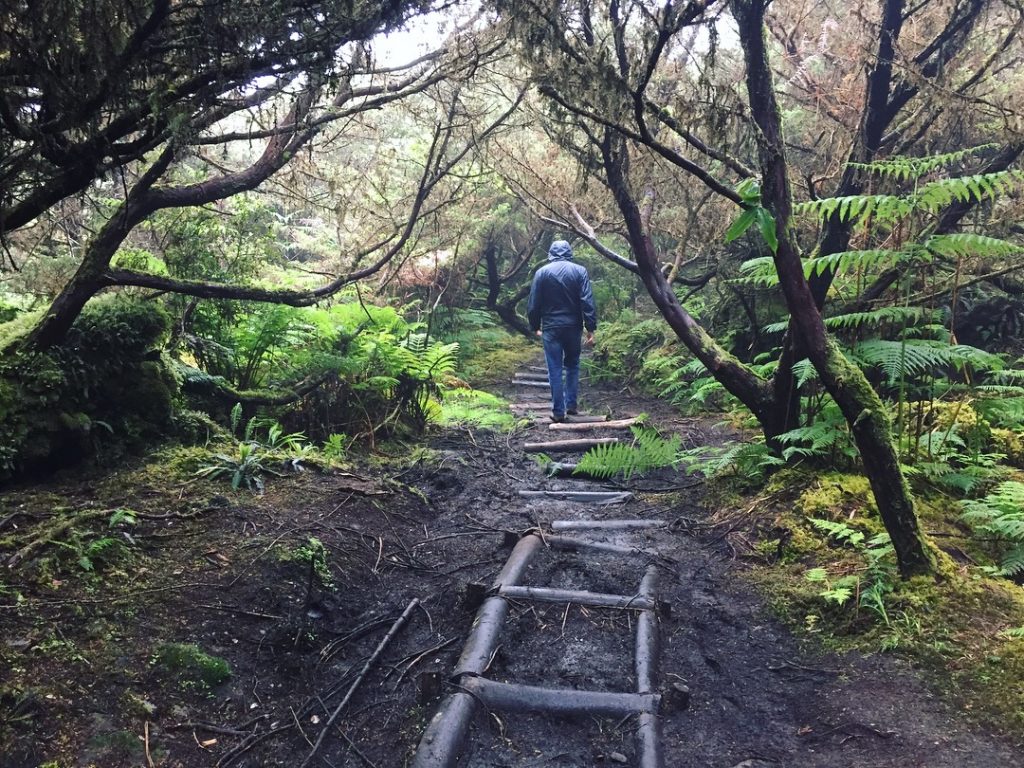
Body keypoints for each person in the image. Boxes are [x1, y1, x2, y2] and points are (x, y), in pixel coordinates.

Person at [527, 239, 597, 422]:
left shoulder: (542, 273)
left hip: (551, 328)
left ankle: (558, 412)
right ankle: (571, 405)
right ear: (569, 252)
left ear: (550, 253)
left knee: (555, 368)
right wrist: (590, 328)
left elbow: (534, 303)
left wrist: (535, 326)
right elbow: (587, 301)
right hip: (573, 327)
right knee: (573, 364)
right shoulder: (580, 271)